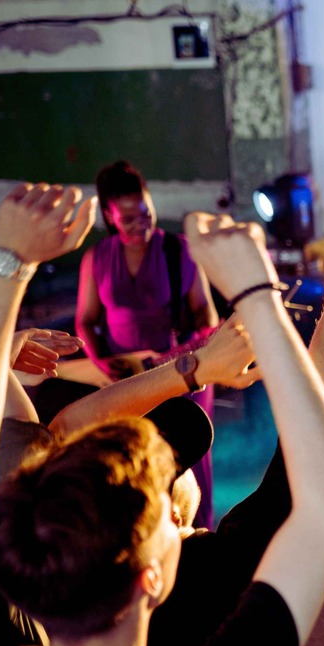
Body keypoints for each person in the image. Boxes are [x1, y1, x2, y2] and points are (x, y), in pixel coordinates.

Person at [0, 184, 324, 646]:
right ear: (152, 578)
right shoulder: (220, 579)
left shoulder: (3, 611)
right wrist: (316, 275)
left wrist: (8, 265)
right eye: (170, 511)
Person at [77, 159, 222, 527]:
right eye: (128, 219)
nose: (141, 224)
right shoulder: (97, 258)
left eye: (146, 213)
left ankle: (197, 534)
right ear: (110, 218)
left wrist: (189, 348)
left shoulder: (181, 250)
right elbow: (87, 322)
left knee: (189, 460)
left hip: (183, 373)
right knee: (131, 457)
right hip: (123, 377)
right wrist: (105, 364)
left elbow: (206, 314)